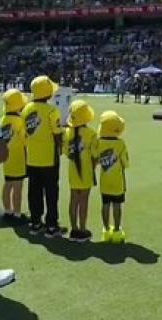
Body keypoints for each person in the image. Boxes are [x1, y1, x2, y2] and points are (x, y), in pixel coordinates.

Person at [22, 75, 65, 238]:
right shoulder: (51, 110)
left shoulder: (26, 109)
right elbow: (57, 134)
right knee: (51, 192)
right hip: (49, 158)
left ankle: (35, 222)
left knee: (34, 191)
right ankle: (52, 225)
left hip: (32, 157)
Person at [63, 100, 97, 243]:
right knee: (84, 201)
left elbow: (66, 152)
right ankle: (82, 229)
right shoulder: (91, 133)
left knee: (73, 200)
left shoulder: (67, 133)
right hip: (86, 171)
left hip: (72, 171)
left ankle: (74, 229)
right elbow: (96, 156)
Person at [95, 110, 130, 244]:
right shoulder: (120, 144)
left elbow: (96, 159)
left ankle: (105, 230)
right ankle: (116, 230)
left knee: (105, 204)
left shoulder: (99, 142)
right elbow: (125, 163)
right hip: (117, 180)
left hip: (105, 180)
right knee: (117, 205)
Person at [0, 89, 28, 225]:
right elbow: (25, 139)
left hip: (7, 157)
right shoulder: (19, 120)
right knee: (17, 186)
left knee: (8, 184)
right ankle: (17, 213)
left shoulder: (3, 119)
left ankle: (7, 210)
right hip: (18, 158)